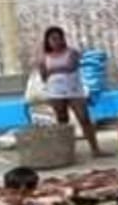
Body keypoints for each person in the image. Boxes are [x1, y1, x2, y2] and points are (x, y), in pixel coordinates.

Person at [34, 26, 105, 156]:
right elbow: (43, 75)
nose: (56, 42)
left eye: (58, 38)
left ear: (63, 39)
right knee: (62, 121)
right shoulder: (45, 57)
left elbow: (75, 65)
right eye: (52, 39)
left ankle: (95, 149)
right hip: (55, 92)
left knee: (84, 118)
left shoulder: (72, 53)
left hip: (74, 90)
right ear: (47, 41)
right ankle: (66, 151)